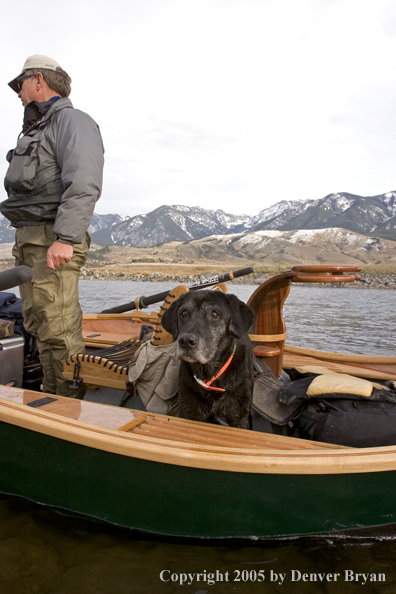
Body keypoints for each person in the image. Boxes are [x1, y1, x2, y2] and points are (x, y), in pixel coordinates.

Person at [1, 55, 104, 398]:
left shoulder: (72, 122)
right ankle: (50, 396)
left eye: (20, 84)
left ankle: (70, 409)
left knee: (59, 329)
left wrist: (65, 238)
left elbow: (84, 184)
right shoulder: (37, 128)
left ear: (38, 80)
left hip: (51, 239)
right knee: (38, 324)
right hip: (30, 240)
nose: (17, 91)